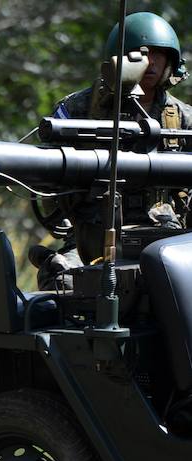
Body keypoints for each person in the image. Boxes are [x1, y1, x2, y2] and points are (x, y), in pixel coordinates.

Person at [35, 11, 192, 289]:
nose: (151, 61)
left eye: (159, 54)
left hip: (164, 239)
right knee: (62, 281)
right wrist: (65, 227)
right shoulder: (78, 109)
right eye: (141, 53)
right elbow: (43, 170)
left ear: (172, 62)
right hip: (92, 238)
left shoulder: (181, 118)